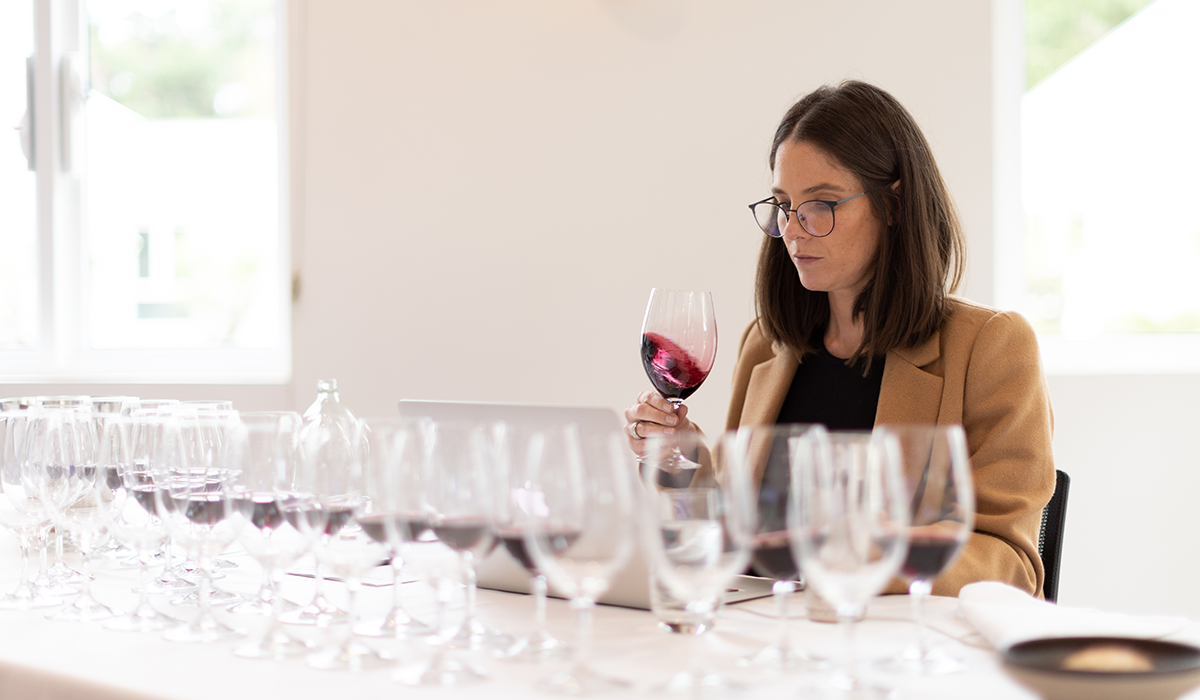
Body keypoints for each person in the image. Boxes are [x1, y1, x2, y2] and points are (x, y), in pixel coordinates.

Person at [623, 80, 1055, 598]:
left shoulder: (991, 347)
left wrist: (854, 561)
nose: (794, 231)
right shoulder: (766, 347)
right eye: (784, 205)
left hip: (890, 652)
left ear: (892, 204)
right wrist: (681, 463)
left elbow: (1008, 562)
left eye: (821, 205)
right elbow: (736, 539)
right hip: (771, 644)